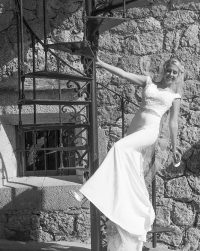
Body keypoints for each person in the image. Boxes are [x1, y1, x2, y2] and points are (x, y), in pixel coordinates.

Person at [74, 56, 185, 251]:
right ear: (164, 70)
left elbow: (173, 123)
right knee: (131, 175)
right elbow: (124, 74)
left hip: (148, 132)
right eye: (169, 70)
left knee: (118, 147)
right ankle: (133, 221)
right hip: (134, 128)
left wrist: (175, 148)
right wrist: (101, 63)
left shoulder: (174, 97)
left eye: (175, 73)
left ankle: (86, 191)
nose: (171, 74)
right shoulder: (149, 82)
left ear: (178, 75)